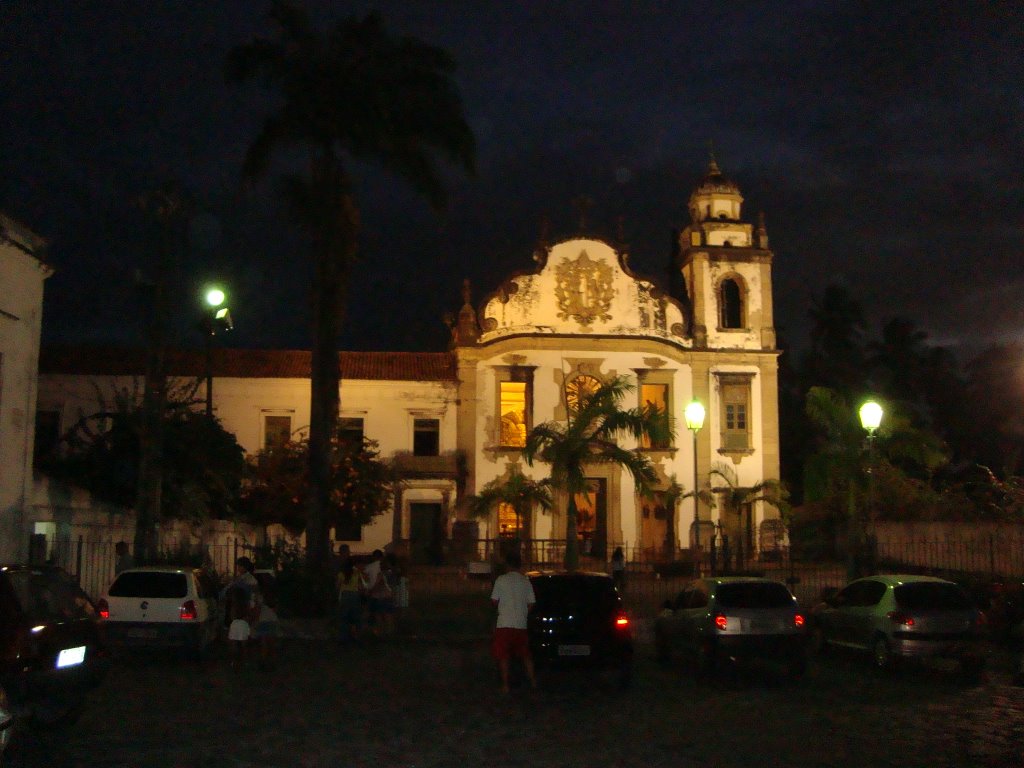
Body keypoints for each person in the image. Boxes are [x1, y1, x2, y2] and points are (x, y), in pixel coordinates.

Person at [490, 549, 536, 694]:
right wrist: (523, 613)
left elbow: (494, 601)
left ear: (507, 565)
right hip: (520, 624)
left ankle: (505, 684)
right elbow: (531, 603)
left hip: (504, 623)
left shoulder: (501, 580)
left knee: (503, 656)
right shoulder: (525, 581)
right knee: (525, 655)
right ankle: (533, 681)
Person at [336, 558, 363, 644]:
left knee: (344, 617)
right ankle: (356, 636)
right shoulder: (356, 573)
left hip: (345, 595)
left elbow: (337, 585)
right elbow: (360, 586)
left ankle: (343, 637)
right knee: (355, 617)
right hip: (354, 595)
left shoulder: (341, 574)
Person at [226, 584, 252, 665]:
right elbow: (249, 615)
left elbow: (232, 616)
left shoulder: (234, 605)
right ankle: (245, 660)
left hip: (235, 623)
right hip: (244, 624)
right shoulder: (246, 604)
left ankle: (234, 661)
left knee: (233, 644)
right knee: (244, 644)